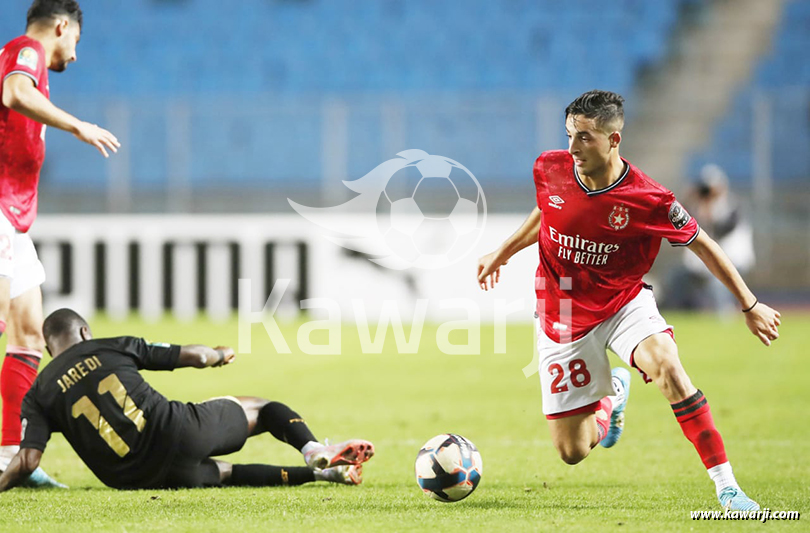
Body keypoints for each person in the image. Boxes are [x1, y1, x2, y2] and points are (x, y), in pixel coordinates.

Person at [477, 90, 780, 512]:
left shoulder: (650, 199)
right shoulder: (549, 167)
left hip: (623, 302)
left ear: (614, 139)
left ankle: (728, 489)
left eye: (584, 137)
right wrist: (502, 253)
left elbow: (703, 245)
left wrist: (749, 305)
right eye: (569, 135)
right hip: (561, 312)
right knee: (572, 451)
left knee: (669, 368)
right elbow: (548, 211)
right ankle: (611, 399)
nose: (573, 148)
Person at [0, 308, 375, 491]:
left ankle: (322, 473)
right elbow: (192, 357)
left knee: (225, 474)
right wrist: (217, 354)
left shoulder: (38, 394)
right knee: (259, 409)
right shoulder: (111, 346)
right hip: (177, 433)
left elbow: (27, 460)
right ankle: (311, 449)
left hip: (131, 479)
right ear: (84, 331)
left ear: (50, 349)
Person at [0, 0, 120, 487]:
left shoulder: (27, 59)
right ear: (63, 27)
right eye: (76, 41)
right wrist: (77, 125)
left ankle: (11, 456)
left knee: (29, 335)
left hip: (14, 221)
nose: (75, 54)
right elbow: (13, 93)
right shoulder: (25, 49)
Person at [668, 164, 755, 314]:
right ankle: (683, 310)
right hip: (708, 259)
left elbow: (722, 230)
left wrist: (708, 213)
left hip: (736, 257)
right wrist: (688, 200)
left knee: (717, 279)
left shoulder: (732, 205)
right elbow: (684, 227)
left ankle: (725, 312)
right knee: (679, 277)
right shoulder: (698, 206)